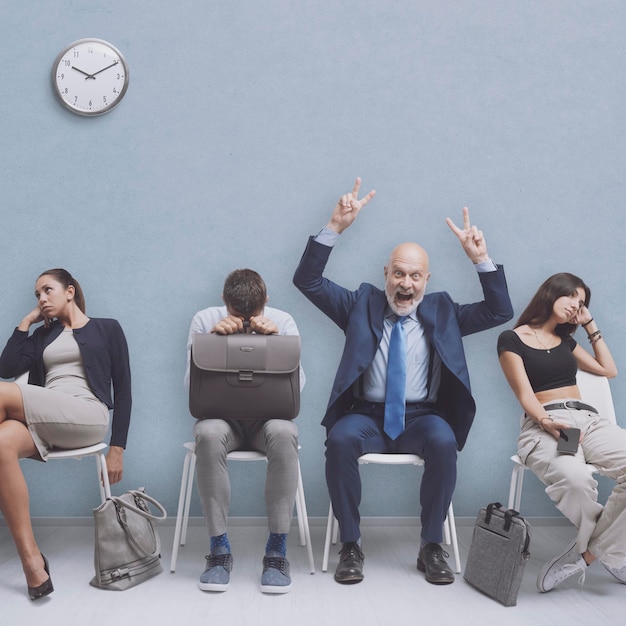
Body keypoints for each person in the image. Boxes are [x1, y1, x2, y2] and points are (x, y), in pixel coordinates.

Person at [293, 178, 513, 585]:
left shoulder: (444, 310)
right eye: (398, 274)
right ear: (386, 274)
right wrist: (334, 228)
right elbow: (307, 281)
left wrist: (480, 259)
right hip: (366, 417)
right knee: (339, 441)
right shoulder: (361, 303)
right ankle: (351, 545)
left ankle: (431, 545)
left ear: (426, 280)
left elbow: (500, 311)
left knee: (444, 441)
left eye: (414, 276)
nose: (405, 284)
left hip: (421, 418)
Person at [0, 268, 131, 601]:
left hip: (87, 414)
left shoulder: (107, 328)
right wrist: (27, 321)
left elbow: (125, 390)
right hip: (45, 419)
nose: (42, 299)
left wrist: (117, 448)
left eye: (47, 291)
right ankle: (32, 563)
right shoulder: (43, 335)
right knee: (1, 444)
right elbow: (6, 368)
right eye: (37, 295)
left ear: (70, 291)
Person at [497, 272, 626, 592]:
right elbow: (525, 395)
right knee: (575, 479)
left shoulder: (566, 342)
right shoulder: (511, 339)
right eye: (571, 297)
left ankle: (589, 552)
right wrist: (545, 422)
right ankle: (609, 551)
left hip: (589, 422)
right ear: (551, 293)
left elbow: (608, 370)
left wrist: (589, 324)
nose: (575, 305)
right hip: (546, 424)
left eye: (581, 302)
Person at [183, 268, 305, 594]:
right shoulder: (204, 320)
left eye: (255, 314)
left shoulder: (284, 321)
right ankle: (219, 549)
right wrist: (212, 341)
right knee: (206, 434)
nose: (249, 320)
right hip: (224, 421)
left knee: (285, 432)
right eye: (239, 315)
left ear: (266, 302)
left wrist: (274, 341)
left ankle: (277, 550)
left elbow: (298, 389)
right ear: (224, 303)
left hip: (269, 421)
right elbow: (190, 388)